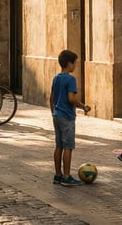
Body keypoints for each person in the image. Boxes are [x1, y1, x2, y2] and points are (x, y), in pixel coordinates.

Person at [50, 49, 90, 187]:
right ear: (69, 63)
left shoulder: (56, 78)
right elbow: (71, 98)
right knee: (68, 146)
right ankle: (66, 176)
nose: (75, 66)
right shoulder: (70, 79)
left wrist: (53, 112)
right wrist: (83, 106)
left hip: (57, 115)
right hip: (67, 116)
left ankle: (58, 174)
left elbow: (51, 98)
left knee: (58, 146)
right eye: (75, 63)